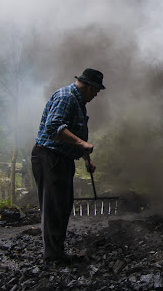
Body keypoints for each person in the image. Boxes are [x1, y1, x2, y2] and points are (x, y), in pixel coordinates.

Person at [31, 68, 105, 263]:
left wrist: (86, 158)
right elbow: (54, 127)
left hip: (61, 159)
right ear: (90, 87)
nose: (96, 95)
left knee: (62, 206)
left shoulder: (79, 102)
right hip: (49, 158)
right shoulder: (66, 97)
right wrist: (82, 144)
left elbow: (74, 134)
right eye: (96, 91)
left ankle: (57, 252)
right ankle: (52, 256)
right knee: (54, 208)